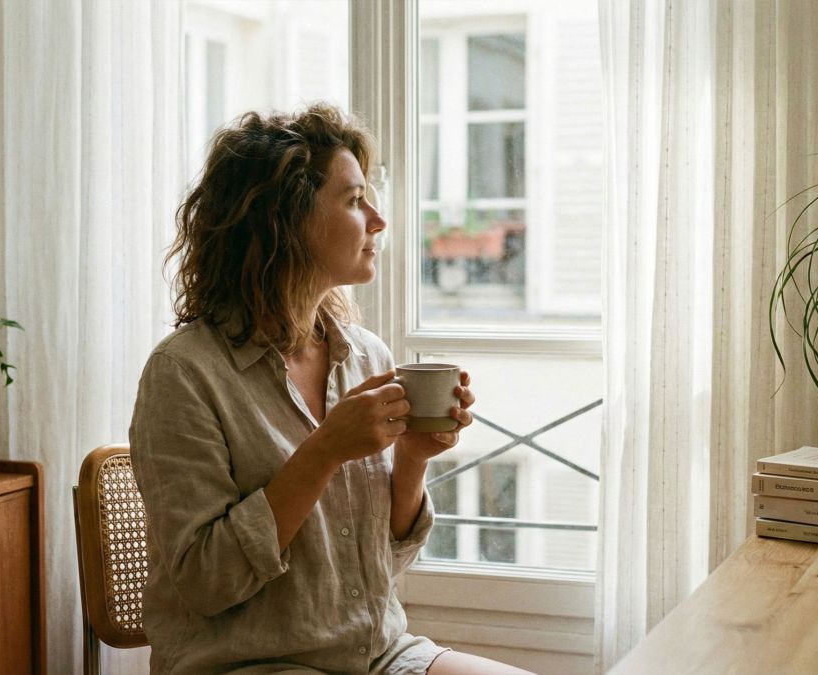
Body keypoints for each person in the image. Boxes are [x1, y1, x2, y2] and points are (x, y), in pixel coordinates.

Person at [129, 104, 532, 674]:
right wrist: (323, 450)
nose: (378, 219)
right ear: (283, 221)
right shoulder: (184, 373)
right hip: (249, 663)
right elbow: (204, 582)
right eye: (352, 199)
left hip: (378, 654)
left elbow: (377, 569)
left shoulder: (366, 355)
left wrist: (412, 460)